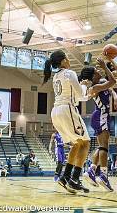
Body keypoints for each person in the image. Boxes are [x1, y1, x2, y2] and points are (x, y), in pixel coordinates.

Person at [43, 50, 91, 193]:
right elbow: (80, 94)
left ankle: (65, 177)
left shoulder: (56, 76)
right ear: (63, 61)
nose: (69, 61)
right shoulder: (69, 73)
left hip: (56, 111)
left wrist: (87, 94)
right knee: (86, 142)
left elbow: (77, 98)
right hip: (66, 110)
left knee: (76, 144)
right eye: (68, 58)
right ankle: (75, 178)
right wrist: (84, 85)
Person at [79, 59, 117, 191]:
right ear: (93, 76)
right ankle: (103, 175)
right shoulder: (95, 87)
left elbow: (111, 85)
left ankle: (91, 170)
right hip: (101, 115)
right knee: (104, 147)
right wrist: (105, 66)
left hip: (101, 115)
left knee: (102, 146)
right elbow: (113, 81)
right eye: (96, 71)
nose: (99, 71)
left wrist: (116, 97)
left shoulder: (100, 83)